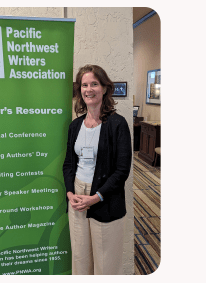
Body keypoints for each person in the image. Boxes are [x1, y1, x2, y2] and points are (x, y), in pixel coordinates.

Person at [63, 64, 132, 275]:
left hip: (105, 197)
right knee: (80, 257)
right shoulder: (75, 126)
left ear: (104, 88)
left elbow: (122, 170)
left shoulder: (117, 124)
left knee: (106, 262)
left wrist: (96, 197)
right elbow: (68, 163)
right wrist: (70, 193)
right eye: (84, 85)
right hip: (78, 197)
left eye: (94, 84)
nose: (88, 89)